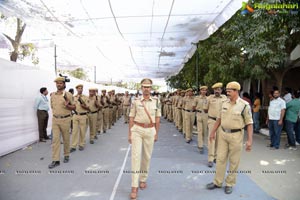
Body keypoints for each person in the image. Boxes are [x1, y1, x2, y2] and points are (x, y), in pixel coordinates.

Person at [206, 81, 253, 194]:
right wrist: (213, 132)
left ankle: (229, 183)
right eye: (226, 91)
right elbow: (219, 119)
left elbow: (249, 123)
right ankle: (217, 182)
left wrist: (250, 140)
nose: (227, 93)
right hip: (222, 134)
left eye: (229, 91)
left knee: (234, 161)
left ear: (236, 91)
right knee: (221, 159)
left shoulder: (244, 105)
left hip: (236, 136)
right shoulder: (224, 103)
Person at [128, 78, 161, 199]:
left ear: (151, 88)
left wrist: (156, 133)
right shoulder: (135, 101)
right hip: (137, 129)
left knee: (147, 156)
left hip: (150, 130)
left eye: (148, 87)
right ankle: (134, 186)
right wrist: (130, 133)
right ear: (141, 88)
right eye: (144, 86)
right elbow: (131, 117)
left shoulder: (157, 101)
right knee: (135, 157)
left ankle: (143, 178)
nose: (146, 89)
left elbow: (158, 118)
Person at [48, 77, 76, 169]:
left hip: (65, 120)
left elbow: (74, 107)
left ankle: (66, 155)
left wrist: (68, 106)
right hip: (55, 120)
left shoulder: (68, 95)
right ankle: (56, 160)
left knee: (66, 139)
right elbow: (52, 107)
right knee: (55, 140)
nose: (58, 84)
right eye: (57, 83)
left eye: (60, 83)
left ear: (64, 84)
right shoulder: (52, 95)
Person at [204, 82, 227, 167]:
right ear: (213, 90)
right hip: (212, 121)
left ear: (221, 90)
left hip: (221, 122)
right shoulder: (209, 98)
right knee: (211, 139)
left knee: (219, 140)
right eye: (215, 89)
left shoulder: (225, 98)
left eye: (219, 89)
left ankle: (216, 157)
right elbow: (205, 109)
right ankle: (210, 158)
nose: (217, 91)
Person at [70, 84, 90, 152]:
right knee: (74, 131)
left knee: (82, 131)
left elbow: (87, 107)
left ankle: (81, 144)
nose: (80, 89)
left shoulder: (85, 97)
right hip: (75, 115)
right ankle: (73, 146)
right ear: (76, 89)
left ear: (82, 89)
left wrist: (82, 103)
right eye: (78, 88)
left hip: (83, 115)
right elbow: (72, 106)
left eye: (81, 88)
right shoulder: (73, 97)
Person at [193, 86, 208, 154]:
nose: (204, 91)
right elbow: (193, 106)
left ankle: (203, 143)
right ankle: (200, 146)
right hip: (199, 114)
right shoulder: (197, 98)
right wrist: (197, 109)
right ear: (200, 91)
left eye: (205, 90)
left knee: (204, 131)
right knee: (199, 130)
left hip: (206, 115)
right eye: (202, 90)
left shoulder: (208, 99)